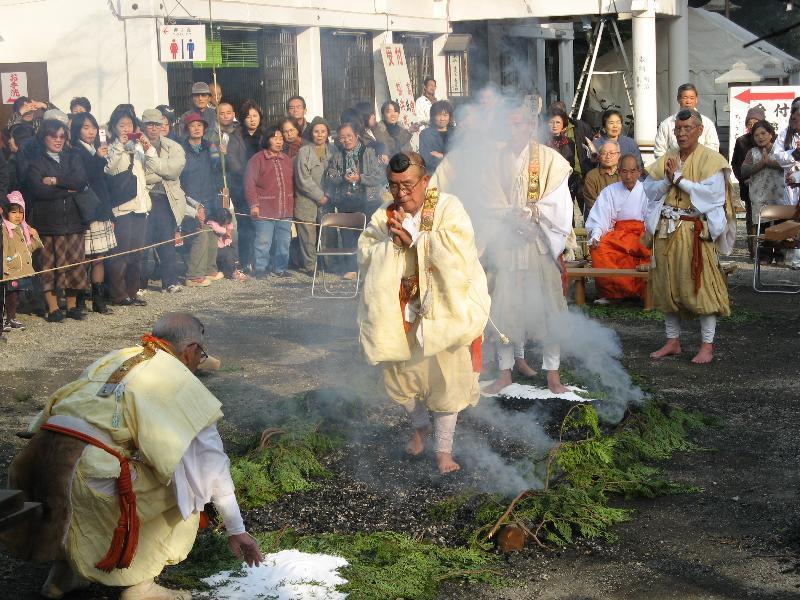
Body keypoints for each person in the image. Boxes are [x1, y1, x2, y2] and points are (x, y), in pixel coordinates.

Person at [1, 312, 263, 600]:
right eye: (201, 355)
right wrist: (236, 529)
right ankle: (142, 588)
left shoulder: (117, 356)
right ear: (191, 350)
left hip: (33, 461)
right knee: (185, 488)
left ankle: (64, 575)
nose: (199, 363)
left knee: (86, 478)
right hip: (86, 470)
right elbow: (212, 467)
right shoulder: (181, 383)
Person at [358, 151, 490, 474]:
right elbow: (365, 251)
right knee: (398, 376)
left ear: (426, 181)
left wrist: (417, 239)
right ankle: (420, 425)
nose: (401, 193)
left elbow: (460, 250)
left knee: (448, 381)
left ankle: (443, 450)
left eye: (407, 185)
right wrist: (392, 244)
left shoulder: (448, 207)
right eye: (393, 186)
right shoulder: (385, 214)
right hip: (404, 311)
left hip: (444, 311)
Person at [483, 103, 573, 394]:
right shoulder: (493, 159)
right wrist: (509, 217)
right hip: (506, 245)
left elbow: (560, 204)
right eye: (508, 124)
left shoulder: (550, 160)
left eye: (519, 124)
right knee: (504, 310)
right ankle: (505, 371)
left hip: (538, 244)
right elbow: (485, 200)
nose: (513, 130)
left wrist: (533, 218)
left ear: (531, 127)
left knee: (550, 309)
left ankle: (552, 374)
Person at [644, 108, 735, 364]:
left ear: (699, 130)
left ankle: (707, 345)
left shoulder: (712, 159)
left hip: (694, 230)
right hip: (666, 229)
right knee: (667, 287)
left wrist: (680, 179)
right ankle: (672, 341)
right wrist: (668, 181)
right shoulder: (669, 157)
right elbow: (649, 190)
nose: (682, 133)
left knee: (702, 287)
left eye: (687, 128)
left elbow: (713, 196)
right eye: (678, 129)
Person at [25, 119, 90, 321]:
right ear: (44, 137)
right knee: (49, 265)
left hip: (74, 220)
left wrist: (55, 181)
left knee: (75, 264)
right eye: (54, 136)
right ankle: (53, 308)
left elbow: (80, 181)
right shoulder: (36, 162)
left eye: (62, 136)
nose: (58, 140)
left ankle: (71, 306)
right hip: (48, 222)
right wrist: (67, 190)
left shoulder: (73, 158)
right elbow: (38, 190)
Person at [586, 154, 651, 304]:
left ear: (639, 171)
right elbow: (600, 217)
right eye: (624, 171)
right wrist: (596, 235)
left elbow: (652, 218)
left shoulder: (648, 190)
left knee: (650, 249)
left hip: (642, 234)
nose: (629, 176)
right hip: (618, 235)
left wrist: (649, 235)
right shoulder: (610, 191)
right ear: (619, 171)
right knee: (600, 248)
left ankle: (642, 291)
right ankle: (613, 293)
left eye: (633, 171)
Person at [105, 105, 151, 307]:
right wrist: (121, 147)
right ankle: (118, 293)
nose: (125, 128)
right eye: (121, 125)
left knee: (137, 253)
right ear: (113, 127)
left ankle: (133, 291)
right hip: (122, 208)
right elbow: (110, 169)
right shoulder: (112, 147)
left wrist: (146, 145)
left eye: (129, 124)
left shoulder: (139, 147)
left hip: (141, 205)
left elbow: (153, 165)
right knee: (121, 253)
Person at [324, 122, 384, 279]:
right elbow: (330, 176)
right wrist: (342, 178)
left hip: (369, 201)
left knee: (370, 235)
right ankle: (352, 268)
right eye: (342, 137)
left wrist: (361, 178)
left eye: (349, 136)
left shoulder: (370, 153)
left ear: (356, 135)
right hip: (346, 201)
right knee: (348, 236)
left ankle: (371, 267)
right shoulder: (337, 156)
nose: (346, 140)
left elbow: (380, 176)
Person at [70, 112, 116, 314]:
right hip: (85, 210)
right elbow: (84, 177)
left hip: (101, 208)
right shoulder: (75, 151)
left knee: (100, 256)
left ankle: (98, 299)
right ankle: (80, 299)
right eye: (85, 127)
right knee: (84, 258)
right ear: (77, 130)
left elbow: (103, 184)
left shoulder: (96, 150)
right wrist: (98, 159)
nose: (91, 131)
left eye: (93, 127)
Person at [141, 108, 187, 293]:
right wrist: (163, 172)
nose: (153, 128)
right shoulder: (134, 147)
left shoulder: (173, 146)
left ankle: (170, 281)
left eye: (157, 124)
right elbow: (142, 176)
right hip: (144, 197)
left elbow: (174, 171)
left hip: (167, 199)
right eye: (149, 124)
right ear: (143, 126)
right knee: (143, 243)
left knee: (167, 242)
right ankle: (139, 283)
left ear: (162, 126)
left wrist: (157, 171)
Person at [180, 113, 225, 287]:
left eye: (200, 125)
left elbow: (218, 169)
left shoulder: (210, 146)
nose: (197, 128)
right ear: (187, 129)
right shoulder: (181, 149)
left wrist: (223, 156)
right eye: (193, 125)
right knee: (199, 234)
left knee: (212, 232)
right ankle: (194, 274)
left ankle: (209, 269)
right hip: (190, 197)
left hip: (209, 194)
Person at [245, 124, 294, 278]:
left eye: (281, 138)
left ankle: (280, 268)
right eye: (275, 138)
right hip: (264, 210)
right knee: (263, 242)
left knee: (284, 241)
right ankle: (260, 268)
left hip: (285, 209)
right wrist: (254, 204)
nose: (279, 141)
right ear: (267, 140)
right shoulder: (257, 159)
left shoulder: (286, 159)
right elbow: (249, 184)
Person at [741, 120, 785, 265]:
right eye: (756, 135)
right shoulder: (752, 152)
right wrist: (761, 164)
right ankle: (765, 256)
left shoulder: (780, 149)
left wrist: (770, 163)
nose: (760, 137)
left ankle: (780, 255)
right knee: (763, 227)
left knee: (780, 225)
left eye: (763, 133)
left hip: (779, 194)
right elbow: (744, 170)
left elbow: (788, 165)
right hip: (760, 195)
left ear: (771, 134)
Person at [294, 116, 333, 275]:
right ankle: (311, 267)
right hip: (306, 200)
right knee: (308, 236)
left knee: (326, 233)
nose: (320, 134)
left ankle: (327, 264)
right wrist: (319, 196)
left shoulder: (334, 151)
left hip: (327, 200)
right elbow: (303, 178)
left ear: (327, 133)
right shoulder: (304, 151)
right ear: (312, 133)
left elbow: (335, 175)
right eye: (316, 131)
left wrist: (328, 195)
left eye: (323, 131)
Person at [2, 191, 42, 331]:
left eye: (20, 212)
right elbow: (4, 250)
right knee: (9, 296)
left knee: (15, 296)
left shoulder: (23, 229)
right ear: (7, 213)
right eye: (13, 212)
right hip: (10, 270)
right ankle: (6, 320)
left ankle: (11, 319)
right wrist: (4, 268)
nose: (18, 216)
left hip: (20, 270)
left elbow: (29, 249)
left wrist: (34, 236)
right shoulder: (5, 230)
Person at [730, 106, 766, 259]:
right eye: (749, 123)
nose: (752, 125)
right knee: (751, 218)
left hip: (767, 187)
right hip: (748, 186)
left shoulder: (768, 139)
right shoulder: (741, 141)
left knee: (768, 218)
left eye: (755, 122)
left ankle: (768, 251)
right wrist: (743, 179)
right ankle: (754, 251)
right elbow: (735, 164)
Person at [653, 83, 720, 159]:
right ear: (678, 99)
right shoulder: (666, 124)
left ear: (696, 100)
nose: (688, 101)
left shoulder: (707, 123)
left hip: (700, 166)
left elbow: (713, 147)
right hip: (674, 167)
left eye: (691, 98)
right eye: (685, 98)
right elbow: (659, 151)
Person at [234, 100, 263, 273]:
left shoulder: (266, 135)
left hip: (262, 187)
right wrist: (248, 174)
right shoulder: (236, 136)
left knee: (261, 226)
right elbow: (232, 160)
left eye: (255, 116)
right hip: (241, 185)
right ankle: (246, 261)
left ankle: (261, 261)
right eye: (248, 116)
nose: (252, 119)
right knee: (244, 225)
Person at [582, 140, 620, 212]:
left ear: (619, 155)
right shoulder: (592, 176)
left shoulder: (626, 174)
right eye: (604, 153)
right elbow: (592, 204)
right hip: (600, 218)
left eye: (612, 153)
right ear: (599, 156)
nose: (608, 156)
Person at [207, 207, 244, 280]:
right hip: (216, 247)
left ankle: (236, 266)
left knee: (233, 247)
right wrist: (225, 231)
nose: (226, 224)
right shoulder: (211, 222)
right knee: (228, 254)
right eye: (224, 223)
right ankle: (231, 273)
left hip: (225, 244)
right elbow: (216, 228)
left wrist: (229, 231)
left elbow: (230, 225)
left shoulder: (227, 222)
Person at [418, 100, 454, 174]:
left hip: (453, 174)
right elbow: (426, 158)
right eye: (439, 115)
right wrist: (449, 158)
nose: (442, 119)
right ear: (433, 116)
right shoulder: (425, 134)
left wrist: (442, 156)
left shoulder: (456, 133)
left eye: (445, 115)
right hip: (433, 174)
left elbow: (460, 155)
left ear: (450, 116)